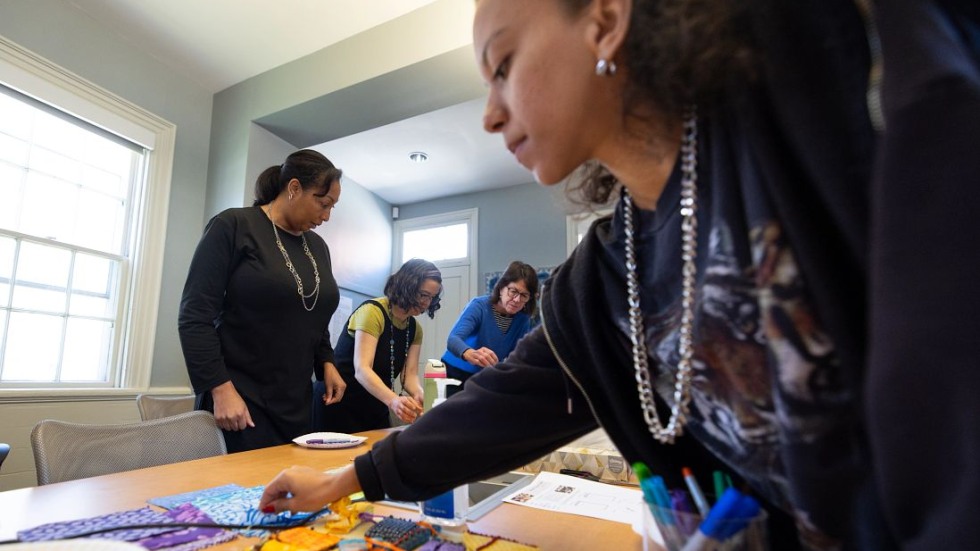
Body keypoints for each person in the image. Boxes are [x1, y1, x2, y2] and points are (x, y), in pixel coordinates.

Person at [260, 1, 980, 549]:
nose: (487, 114)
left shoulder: (803, 65)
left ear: (605, 20)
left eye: (503, 65)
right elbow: (499, 408)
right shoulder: (602, 278)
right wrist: (345, 477)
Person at [178, 149, 347, 453]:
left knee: (288, 495)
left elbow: (313, 313)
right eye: (323, 204)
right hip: (239, 401)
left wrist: (326, 361)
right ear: (294, 188)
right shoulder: (233, 226)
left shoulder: (318, 247)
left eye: (332, 207)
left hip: (296, 402)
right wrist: (219, 388)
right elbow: (194, 315)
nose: (326, 216)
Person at [315, 259, 442, 433]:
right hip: (339, 402)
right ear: (407, 286)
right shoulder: (373, 312)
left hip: (375, 404)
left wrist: (420, 394)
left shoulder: (414, 329)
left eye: (432, 297)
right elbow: (362, 369)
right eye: (423, 295)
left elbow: (409, 375)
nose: (427, 303)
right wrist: (393, 400)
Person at [440, 260, 539, 397]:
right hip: (453, 372)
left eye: (524, 295)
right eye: (513, 291)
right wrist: (470, 354)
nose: (517, 299)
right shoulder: (479, 306)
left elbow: (516, 356)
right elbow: (453, 339)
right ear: (502, 288)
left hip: (484, 377)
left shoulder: (523, 319)